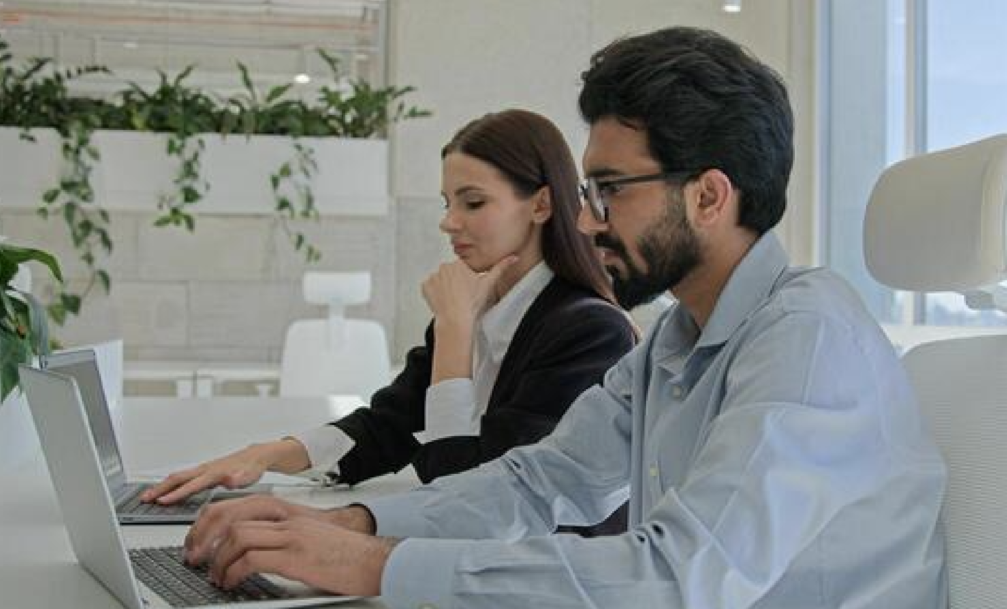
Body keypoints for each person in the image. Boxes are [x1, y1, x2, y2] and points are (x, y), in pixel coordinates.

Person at [183, 27, 948, 608]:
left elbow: (677, 576)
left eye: (609, 190)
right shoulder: (676, 338)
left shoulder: (807, 339)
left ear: (708, 196)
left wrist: (376, 564)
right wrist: (353, 524)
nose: (586, 221)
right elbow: (539, 479)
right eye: (588, 193)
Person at [143, 109, 635, 535]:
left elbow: (468, 493)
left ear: (541, 205)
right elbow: (389, 427)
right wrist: (265, 455)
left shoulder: (589, 332)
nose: (448, 222)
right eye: (447, 203)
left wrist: (455, 331)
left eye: (473, 202)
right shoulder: (477, 303)